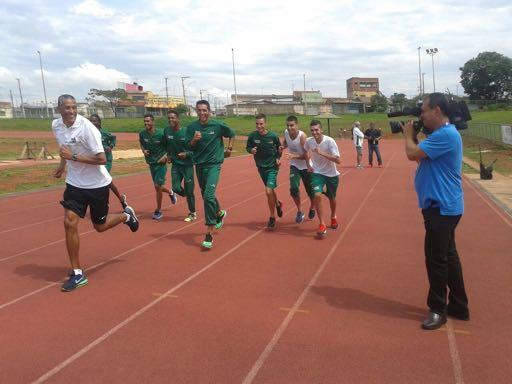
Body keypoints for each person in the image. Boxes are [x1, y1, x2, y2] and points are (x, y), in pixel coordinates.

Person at [52, 95, 139, 292]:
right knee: (69, 221)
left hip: (97, 185)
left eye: (74, 107)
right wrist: (61, 165)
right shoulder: (56, 125)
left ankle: (126, 216)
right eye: (67, 108)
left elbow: (101, 159)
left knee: (100, 226)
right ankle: (77, 272)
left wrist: (72, 157)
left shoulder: (87, 128)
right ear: (58, 109)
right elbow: (64, 149)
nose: (71, 111)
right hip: (74, 183)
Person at [403, 92, 469, 330]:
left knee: (436, 260)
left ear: (437, 112)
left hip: (441, 208)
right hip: (443, 206)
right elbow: (422, 155)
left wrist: (408, 134)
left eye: (424, 111)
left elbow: (412, 153)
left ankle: (437, 310)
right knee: (449, 257)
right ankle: (460, 306)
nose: (421, 115)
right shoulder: (444, 135)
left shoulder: (446, 135)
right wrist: (417, 135)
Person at [185, 100, 235, 249]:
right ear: (196, 111)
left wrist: (229, 148)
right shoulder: (192, 127)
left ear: (209, 111)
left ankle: (209, 232)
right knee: (207, 194)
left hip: (214, 165)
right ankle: (219, 213)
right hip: (199, 165)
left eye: (204, 110)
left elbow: (232, 134)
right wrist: (194, 140)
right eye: (199, 110)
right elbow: (188, 145)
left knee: (208, 196)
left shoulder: (218, 126)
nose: (202, 113)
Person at [304, 120, 341, 237]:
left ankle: (333, 216)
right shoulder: (309, 141)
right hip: (317, 173)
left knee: (332, 198)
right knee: (317, 195)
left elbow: (338, 160)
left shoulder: (330, 141)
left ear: (321, 130)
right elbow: (305, 151)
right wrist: (308, 165)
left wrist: (322, 153)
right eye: (312, 130)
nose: (314, 133)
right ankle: (322, 224)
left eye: (316, 130)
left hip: (331, 174)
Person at [246, 113, 283, 229]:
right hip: (260, 167)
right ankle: (277, 204)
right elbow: (248, 147)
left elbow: (279, 149)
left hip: (272, 167)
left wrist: (278, 158)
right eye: (257, 124)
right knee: (270, 190)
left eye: (261, 124)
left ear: (265, 123)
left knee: (268, 191)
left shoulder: (273, 136)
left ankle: (272, 217)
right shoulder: (252, 136)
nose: (259, 126)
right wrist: (251, 150)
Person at [139, 113, 177, 220]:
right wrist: (143, 150)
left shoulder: (161, 134)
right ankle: (170, 192)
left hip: (161, 163)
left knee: (157, 186)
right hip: (151, 163)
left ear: (153, 122)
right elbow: (141, 143)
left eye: (148, 121)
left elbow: (169, 146)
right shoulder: (142, 134)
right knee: (158, 187)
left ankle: (158, 211)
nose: (146, 123)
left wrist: (165, 156)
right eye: (145, 121)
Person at [162, 109, 196, 222]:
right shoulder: (167, 131)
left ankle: (192, 213)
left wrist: (186, 154)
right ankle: (189, 195)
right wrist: (169, 156)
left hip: (187, 165)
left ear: (178, 119)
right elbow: (167, 145)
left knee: (189, 191)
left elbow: (194, 150)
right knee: (176, 187)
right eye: (169, 118)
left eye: (172, 118)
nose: (170, 120)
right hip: (176, 165)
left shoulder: (186, 132)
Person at [89, 114, 127, 208]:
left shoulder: (104, 132)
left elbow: (113, 138)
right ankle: (120, 198)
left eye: (95, 121)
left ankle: (104, 202)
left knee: (102, 179)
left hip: (106, 161)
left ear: (99, 122)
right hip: (96, 161)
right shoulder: (88, 134)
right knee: (106, 181)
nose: (93, 123)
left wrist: (110, 147)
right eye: (91, 121)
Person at [282, 115, 315, 223]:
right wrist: (282, 146)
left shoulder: (302, 137)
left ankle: (312, 207)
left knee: (311, 192)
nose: (289, 128)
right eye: (287, 125)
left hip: (306, 166)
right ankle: (300, 211)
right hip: (294, 166)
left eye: (292, 125)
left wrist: (294, 156)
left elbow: (308, 155)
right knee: (293, 188)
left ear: (297, 125)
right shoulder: (286, 132)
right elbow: (286, 142)